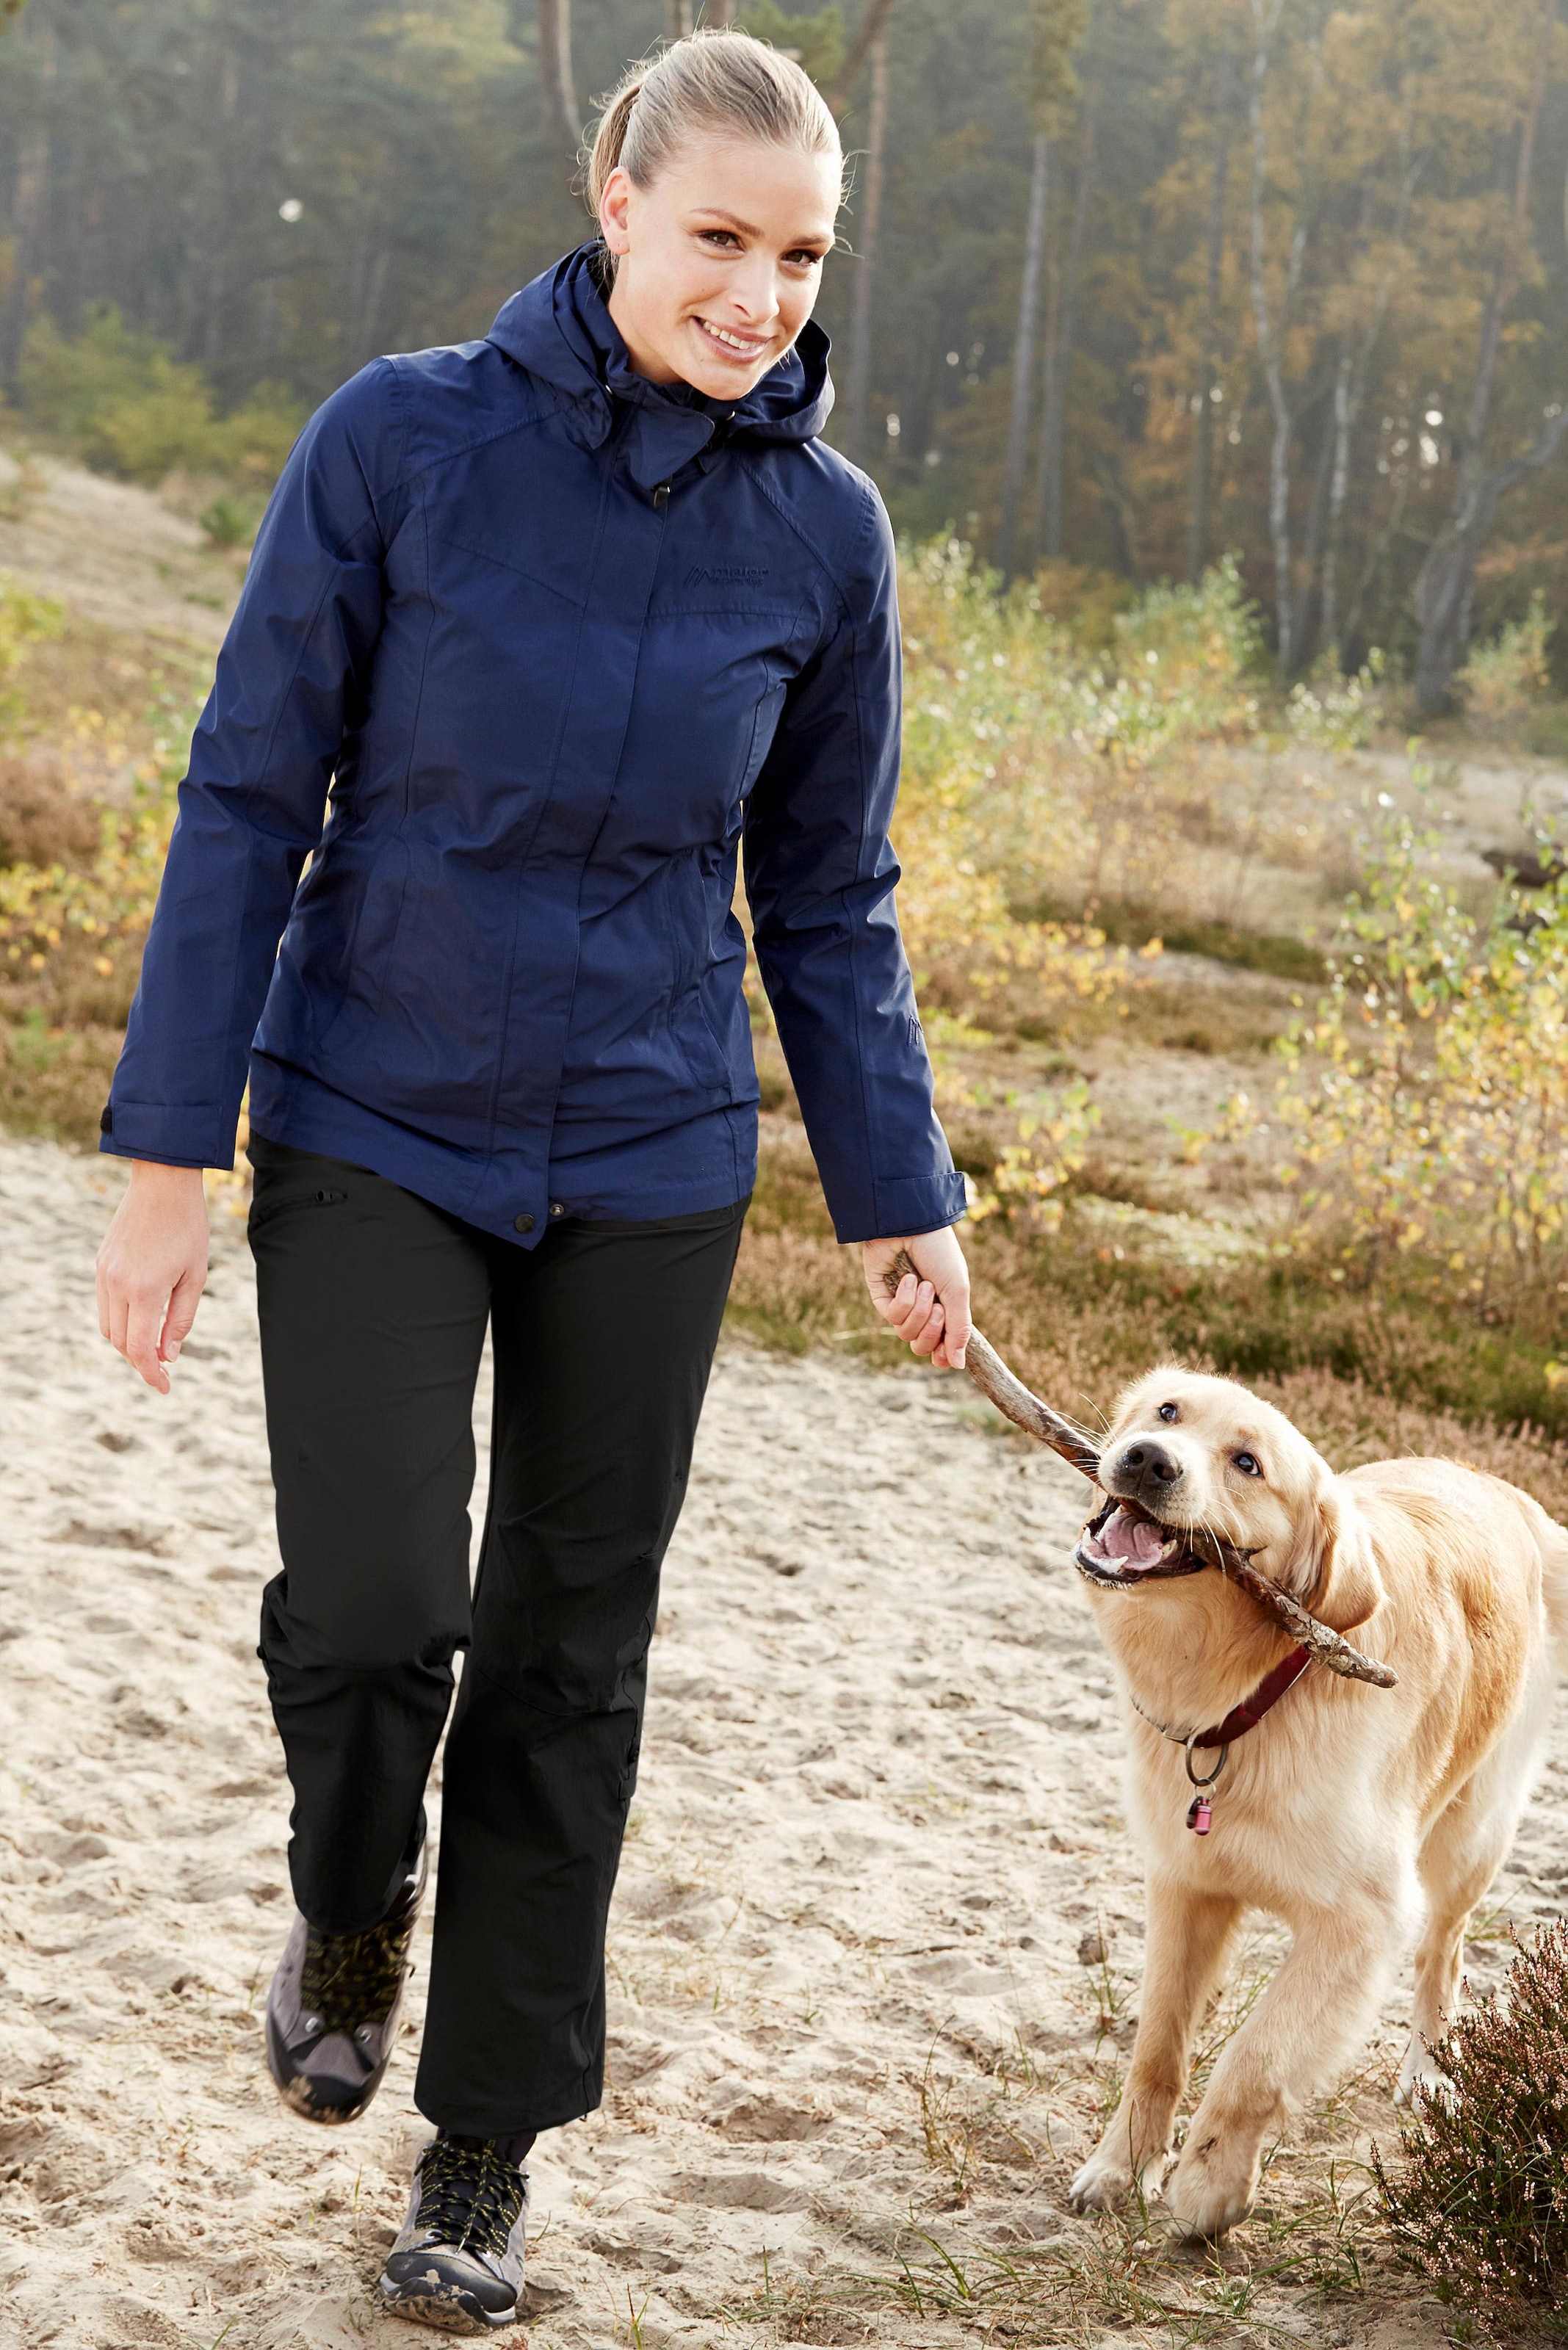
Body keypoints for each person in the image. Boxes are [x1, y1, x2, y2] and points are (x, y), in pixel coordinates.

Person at [93, 27, 971, 2333]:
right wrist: (170, 1156)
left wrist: (897, 1188)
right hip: (378, 1108)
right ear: (613, 197)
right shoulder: (402, 440)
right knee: (381, 1607)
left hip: (658, 1151)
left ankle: (478, 2157)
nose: (762, 294)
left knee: (575, 1664)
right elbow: (245, 791)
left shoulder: (827, 536)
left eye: (802, 255)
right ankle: (348, 1896)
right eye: (720, 238)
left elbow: (833, 892)